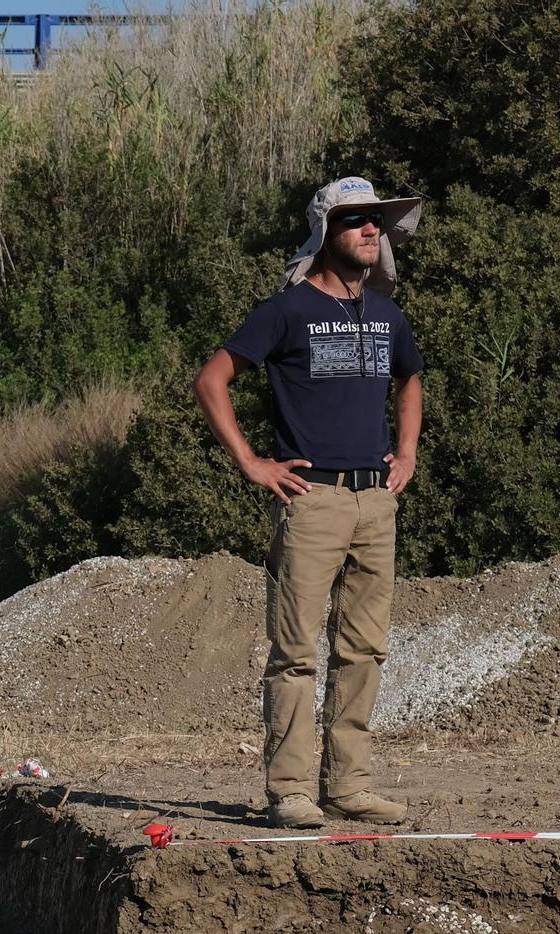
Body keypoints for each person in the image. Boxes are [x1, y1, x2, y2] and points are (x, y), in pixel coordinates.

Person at [193, 177, 424, 830]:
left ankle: (348, 786)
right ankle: (290, 790)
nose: (370, 230)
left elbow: (410, 379)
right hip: (311, 500)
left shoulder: (387, 315)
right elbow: (212, 379)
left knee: (364, 649)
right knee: (295, 652)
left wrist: (406, 453)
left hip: (375, 502)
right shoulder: (286, 311)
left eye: (375, 220)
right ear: (327, 233)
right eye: (355, 221)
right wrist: (251, 462)